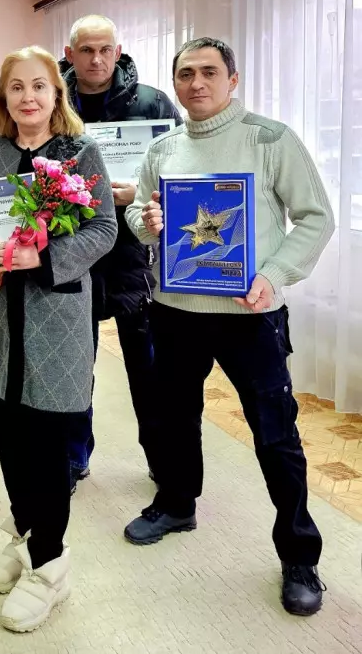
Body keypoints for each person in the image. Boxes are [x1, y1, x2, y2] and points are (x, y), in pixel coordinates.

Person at [124, 38, 334, 616]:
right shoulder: (164, 149)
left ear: (233, 80)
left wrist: (273, 273)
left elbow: (316, 218)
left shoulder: (271, 140)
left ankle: (299, 554)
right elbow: (139, 220)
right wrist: (144, 219)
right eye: (185, 74)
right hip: (174, 312)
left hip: (251, 314)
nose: (197, 83)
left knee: (275, 434)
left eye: (209, 73)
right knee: (172, 418)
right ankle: (176, 502)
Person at [0, 46, 117, 632]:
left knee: (49, 444)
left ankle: (52, 564)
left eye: (40, 87)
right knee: (8, 435)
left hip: (55, 316)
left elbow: (103, 227)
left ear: (58, 95)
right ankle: (28, 538)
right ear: (3, 98)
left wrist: (45, 256)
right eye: (16, 88)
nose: (28, 97)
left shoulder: (82, 153)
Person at [61, 14, 182, 488]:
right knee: (73, 363)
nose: (96, 59)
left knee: (148, 366)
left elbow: (180, 174)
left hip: (134, 253)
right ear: (69, 55)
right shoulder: (55, 102)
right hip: (75, 250)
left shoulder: (153, 103)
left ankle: (161, 456)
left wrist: (144, 194)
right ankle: (74, 455)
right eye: (86, 50)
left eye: (104, 49)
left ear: (118, 50)